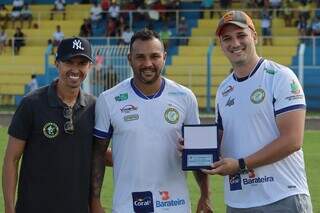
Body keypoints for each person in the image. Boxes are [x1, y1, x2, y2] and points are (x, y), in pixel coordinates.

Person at [90, 29, 213, 213]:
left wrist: (205, 196)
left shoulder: (185, 97)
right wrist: (95, 201)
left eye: (154, 56)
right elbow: (98, 154)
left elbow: (199, 153)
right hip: (128, 206)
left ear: (164, 57)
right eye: (140, 57)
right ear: (129, 58)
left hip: (175, 205)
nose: (148, 63)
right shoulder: (109, 99)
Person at [202, 10, 313, 213]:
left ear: (254, 36)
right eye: (227, 38)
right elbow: (221, 140)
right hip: (239, 201)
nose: (234, 43)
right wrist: (195, 149)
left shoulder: (280, 77)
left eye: (241, 35)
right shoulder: (224, 89)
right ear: (221, 45)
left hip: (282, 196)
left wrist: (241, 165)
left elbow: (292, 140)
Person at [2, 37, 96, 213]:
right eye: (69, 61)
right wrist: (9, 208)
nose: (75, 69)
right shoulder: (31, 104)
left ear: (89, 67)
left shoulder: (95, 107)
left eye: (82, 63)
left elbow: (96, 151)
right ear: (57, 63)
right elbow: (11, 159)